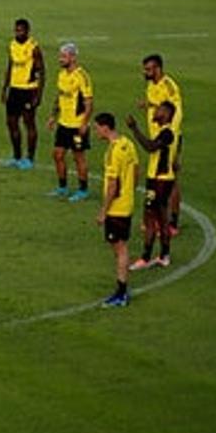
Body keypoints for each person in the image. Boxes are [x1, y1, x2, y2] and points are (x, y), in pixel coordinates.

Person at [123, 101, 178, 271]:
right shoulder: (165, 132)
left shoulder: (168, 133)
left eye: (159, 110)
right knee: (159, 217)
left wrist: (134, 129)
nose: (155, 112)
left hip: (160, 180)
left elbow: (150, 147)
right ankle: (163, 256)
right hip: (158, 178)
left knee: (151, 217)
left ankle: (147, 257)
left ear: (167, 114)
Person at [94, 112, 137, 307]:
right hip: (127, 204)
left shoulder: (113, 152)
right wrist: (129, 192)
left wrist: (103, 210)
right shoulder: (127, 144)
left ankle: (121, 293)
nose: (96, 132)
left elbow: (112, 184)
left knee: (119, 249)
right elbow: (136, 171)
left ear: (105, 127)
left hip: (116, 209)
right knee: (121, 247)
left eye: (97, 128)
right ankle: (122, 291)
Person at [139, 54, 186, 236]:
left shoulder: (169, 87)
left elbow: (177, 114)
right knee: (158, 179)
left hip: (167, 141)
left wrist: (168, 142)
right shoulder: (151, 85)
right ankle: (159, 220)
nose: (146, 72)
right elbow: (157, 107)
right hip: (156, 140)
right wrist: (148, 105)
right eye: (145, 69)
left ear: (158, 68)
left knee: (171, 181)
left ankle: (173, 223)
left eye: (149, 69)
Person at [47, 42, 94, 201]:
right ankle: (62, 187)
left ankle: (83, 190)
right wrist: (53, 116)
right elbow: (59, 96)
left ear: (73, 57)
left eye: (64, 56)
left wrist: (84, 123)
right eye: (60, 56)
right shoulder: (62, 75)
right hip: (63, 123)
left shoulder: (82, 76)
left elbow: (89, 103)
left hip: (76, 126)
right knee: (58, 155)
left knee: (78, 157)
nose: (60, 59)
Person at [0, 18, 45, 170]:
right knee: (11, 122)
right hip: (14, 89)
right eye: (16, 30)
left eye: (21, 30)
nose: (18, 33)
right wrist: (4, 88)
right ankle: (16, 156)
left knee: (29, 123)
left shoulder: (33, 47)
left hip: (28, 89)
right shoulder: (12, 45)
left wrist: (38, 95)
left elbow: (41, 71)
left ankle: (30, 158)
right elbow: (10, 66)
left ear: (27, 31)